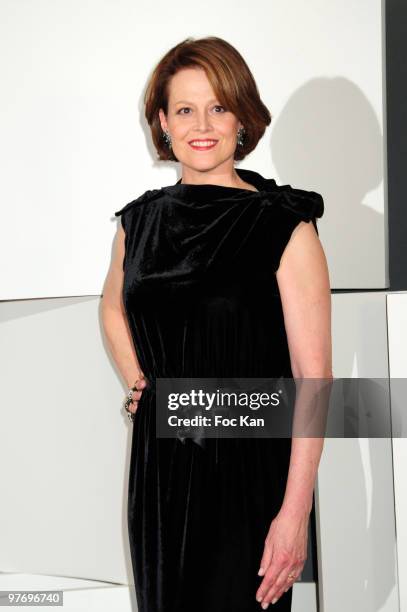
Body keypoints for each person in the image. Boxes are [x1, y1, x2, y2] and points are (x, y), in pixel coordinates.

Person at [101, 36, 332, 612]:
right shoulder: (140, 223)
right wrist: (139, 385)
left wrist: (293, 515)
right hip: (161, 478)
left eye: (218, 107)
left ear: (241, 119)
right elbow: (112, 307)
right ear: (162, 121)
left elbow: (314, 377)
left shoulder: (284, 225)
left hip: (249, 476)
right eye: (184, 109)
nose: (201, 123)